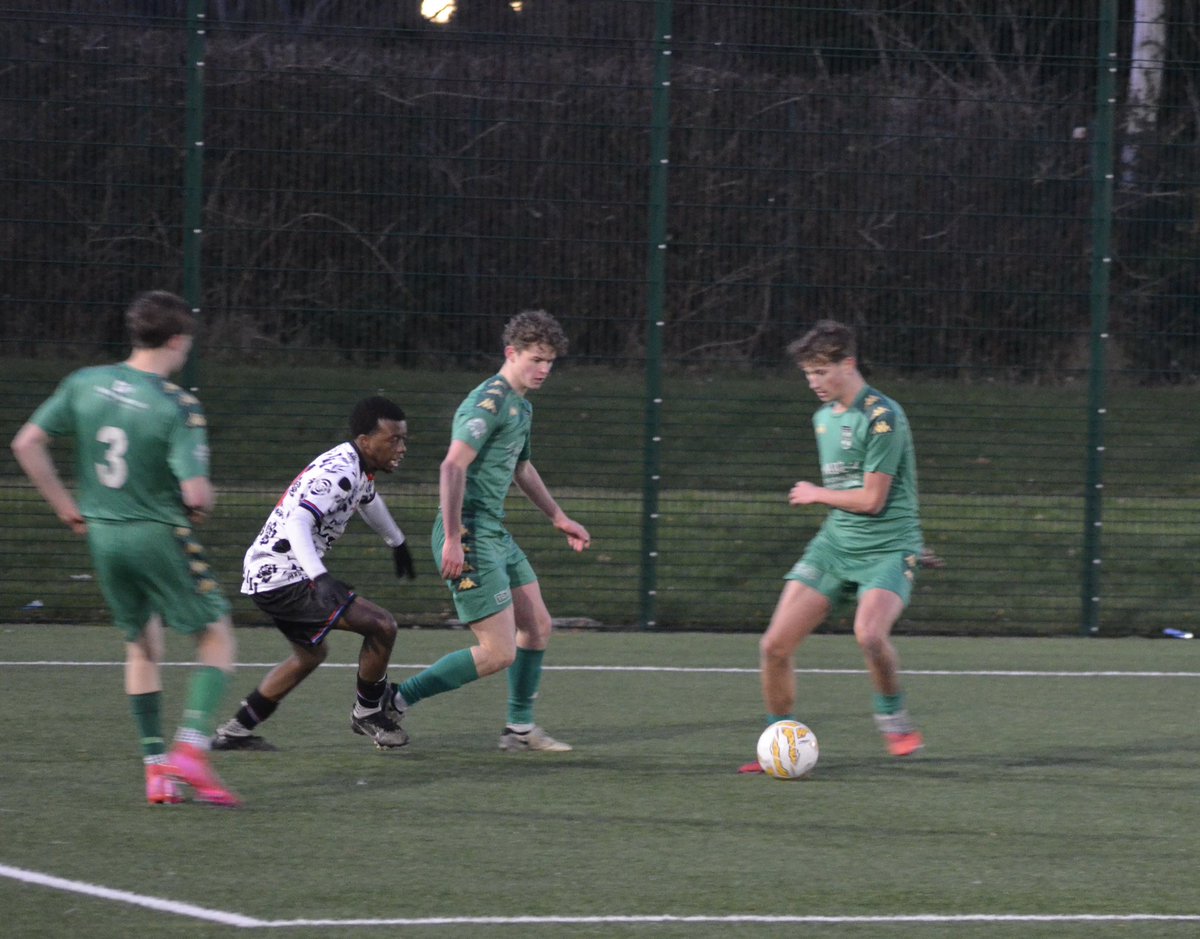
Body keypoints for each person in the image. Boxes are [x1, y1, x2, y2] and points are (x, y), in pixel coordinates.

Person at [11, 290, 240, 806]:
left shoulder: (83, 382)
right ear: (178, 341)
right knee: (217, 638)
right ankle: (191, 748)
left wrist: (65, 505)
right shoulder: (176, 405)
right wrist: (204, 499)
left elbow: (26, 443)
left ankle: (155, 767)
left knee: (141, 644)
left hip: (103, 535)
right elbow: (196, 495)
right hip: (156, 532)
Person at [388, 309, 591, 752]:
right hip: (470, 533)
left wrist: (558, 517)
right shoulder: (491, 402)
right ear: (511, 353)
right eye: (535, 359)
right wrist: (456, 537)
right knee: (498, 652)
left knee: (537, 626)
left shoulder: (521, 406)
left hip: (494, 533)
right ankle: (394, 700)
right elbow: (451, 466)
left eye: (549, 362)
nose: (543, 370)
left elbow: (521, 466)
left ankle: (519, 731)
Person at [739, 319, 925, 773]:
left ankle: (894, 720)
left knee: (870, 634)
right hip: (835, 547)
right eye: (807, 374)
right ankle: (776, 744)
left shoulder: (883, 417)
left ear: (849, 364)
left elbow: (873, 499)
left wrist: (816, 494)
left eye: (822, 372)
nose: (814, 383)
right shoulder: (823, 419)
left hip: (887, 549)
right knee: (774, 647)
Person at [212, 396, 416, 752]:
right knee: (382, 625)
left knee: (309, 657)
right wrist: (319, 577)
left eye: (403, 439)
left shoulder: (358, 466)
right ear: (366, 441)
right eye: (393, 440)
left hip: (272, 573)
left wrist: (396, 541)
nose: (401, 448)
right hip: (282, 576)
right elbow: (298, 522)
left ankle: (235, 731)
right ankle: (368, 712)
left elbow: (368, 499)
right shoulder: (339, 472)